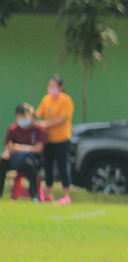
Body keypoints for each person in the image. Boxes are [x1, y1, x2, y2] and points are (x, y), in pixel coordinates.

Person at [34, 74, 74, 204]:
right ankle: (49, 194)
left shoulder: (66, 100)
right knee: (48, 167)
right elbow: (38, 114)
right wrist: (30, 114)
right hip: (48, 140)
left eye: (54, 86)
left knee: (63, 167)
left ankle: (66, 195)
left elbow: (62, 118)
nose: (51, 89)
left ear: (60, 87)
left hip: (62, 140)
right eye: (49, 86)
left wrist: (45, 124)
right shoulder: (46, 100)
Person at [2, 103, 47, 201]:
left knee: (28, 164)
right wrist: (8, 152)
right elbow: (8, 145)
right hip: (16, 159)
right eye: (20, 115)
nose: (23, 118)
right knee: (3, 162)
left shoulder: (38, 129)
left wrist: (20, 148)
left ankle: (34, 195)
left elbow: (38, 149)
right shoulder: (13, 129)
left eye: (26, 115)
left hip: (33, 159)